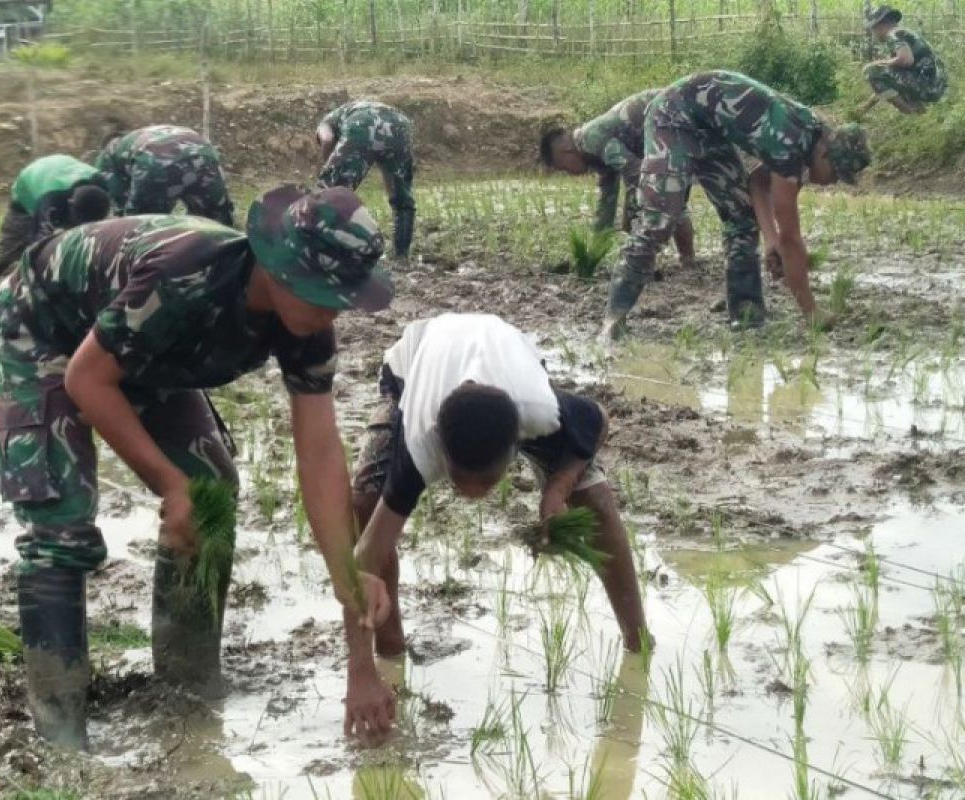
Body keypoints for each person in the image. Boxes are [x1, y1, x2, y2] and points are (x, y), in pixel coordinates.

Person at [0, 184, 395, 750]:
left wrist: (349, 596)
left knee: (210, 491)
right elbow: (85, 380)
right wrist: (166, 484)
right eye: (323, 294)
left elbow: (320, 456)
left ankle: (186, 685)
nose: (333, 310)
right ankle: (61, 733)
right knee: (62, 519)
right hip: (42, 327)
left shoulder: (308, 328)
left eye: (343, 297)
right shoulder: (184, 276)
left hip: (141, 350)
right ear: (277, 269)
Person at [349, 313, 649, 719]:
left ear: (515, 449)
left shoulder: (540, 412)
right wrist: (361, 673)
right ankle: (390, 649)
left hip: (506, 354)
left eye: (488, 483)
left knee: (594, 500)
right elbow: (363, 559)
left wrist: (557, 489)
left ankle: (638, 639)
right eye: (459, 482)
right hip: (413, 363)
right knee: (366, 502)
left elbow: (597, 420)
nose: (473, 498)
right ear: (443, 454)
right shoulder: (421, 443)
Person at [602, 71, 871, 342]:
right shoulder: (791, 144)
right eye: (835, 174)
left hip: (709, 129)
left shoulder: (807, 137)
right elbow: (791, 239)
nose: (831, 182)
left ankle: (746, 314)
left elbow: (758, 183)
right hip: (673, 115)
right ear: (825, 152)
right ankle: (614, 318)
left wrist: (769, 239)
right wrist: (810, 311)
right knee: (661, 218)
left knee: (742, 213)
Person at [540, 90, 696, 270]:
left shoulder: (590, 139)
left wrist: (630, 217)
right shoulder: (594, 156)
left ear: (565, 151)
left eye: (563, 167)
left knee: (668, 195)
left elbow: (634, 172)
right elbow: (606, 205)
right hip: (668, 129)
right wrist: (592, 255)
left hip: (674, 115)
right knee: (670, 196)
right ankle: (687, 262)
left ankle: (684, 261)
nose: (570, 173)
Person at [0, 154, 110, 327]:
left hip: (63, 174)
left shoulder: (103, 187)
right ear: (69, 206)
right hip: (30, 189)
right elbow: (36, 255)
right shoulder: (49, 203)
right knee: (5, 258)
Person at [317, 101, 416, 260]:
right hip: (400, 124)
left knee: (327, 195)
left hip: (362, 125)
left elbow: (327, 139)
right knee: (402, 198)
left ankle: (325, 251)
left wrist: (328, 169)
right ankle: (401, 256)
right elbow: (387, 165)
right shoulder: (353, 109)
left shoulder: (326, 122)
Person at [94, 125, 234, 224]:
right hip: (203, 152)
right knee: (216, 220)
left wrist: (121, 217)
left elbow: (117, 195)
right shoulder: (140, 135)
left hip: (156, 161)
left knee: (145, 227)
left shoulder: (107, 155)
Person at [860, 5, 947, 115]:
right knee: (883, 72)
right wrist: (866, 107)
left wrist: (879, 63)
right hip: (935, 86)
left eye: (872, 30)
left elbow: (906, 60)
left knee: (870, 70)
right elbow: (884, 82)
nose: (873, 34)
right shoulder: (905, 33)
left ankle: (912, 115)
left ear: (880, 25)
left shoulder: (893, 34)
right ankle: (919, 111)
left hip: (928, 86)